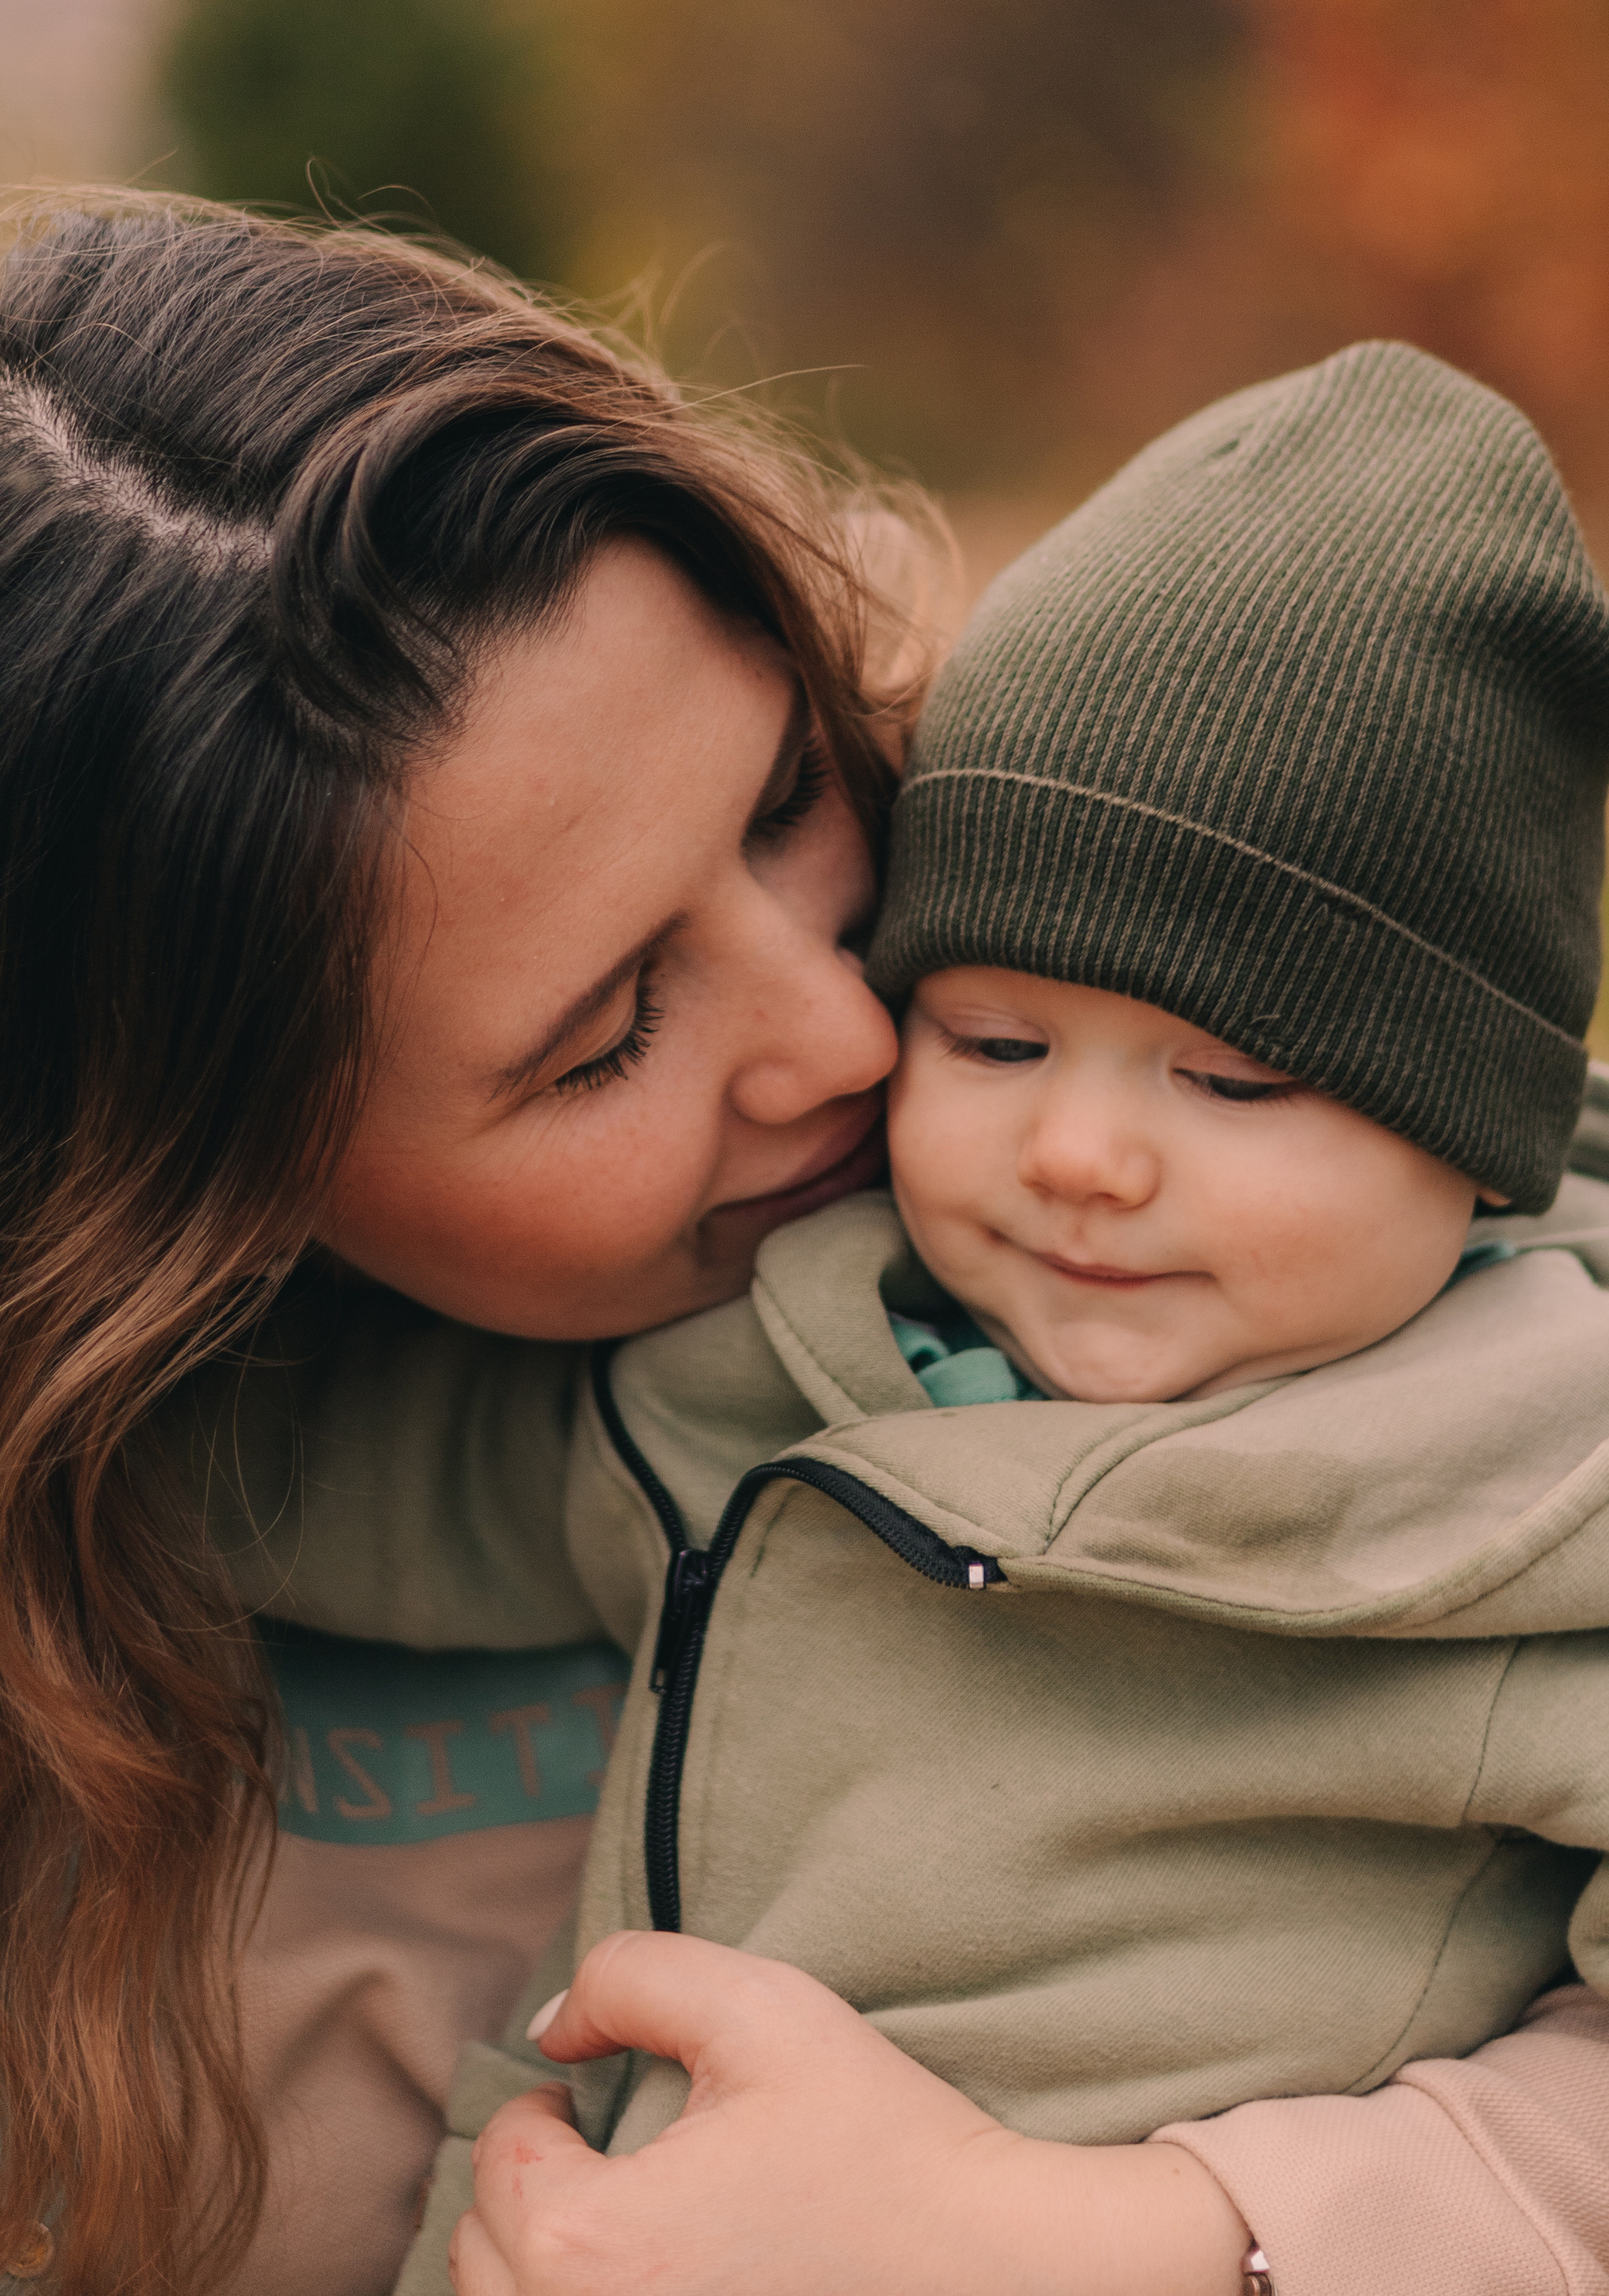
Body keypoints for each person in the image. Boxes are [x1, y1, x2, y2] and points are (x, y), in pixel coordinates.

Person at [434, 345, 1609, 2296]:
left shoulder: (1533, 1508)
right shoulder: (767, 1359)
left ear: (1474, 1149)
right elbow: (339, 1490)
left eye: (1231, 1082)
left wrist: (1166, 2237)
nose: (1077, 1155)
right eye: (993, 1040)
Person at [0, 186, 931, 2296]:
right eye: (608, 1039)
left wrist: (1160, 2242)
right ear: (197, 1201)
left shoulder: (1168, 1103)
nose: (848, 1033)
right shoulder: (94, 1712)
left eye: (788, 797)